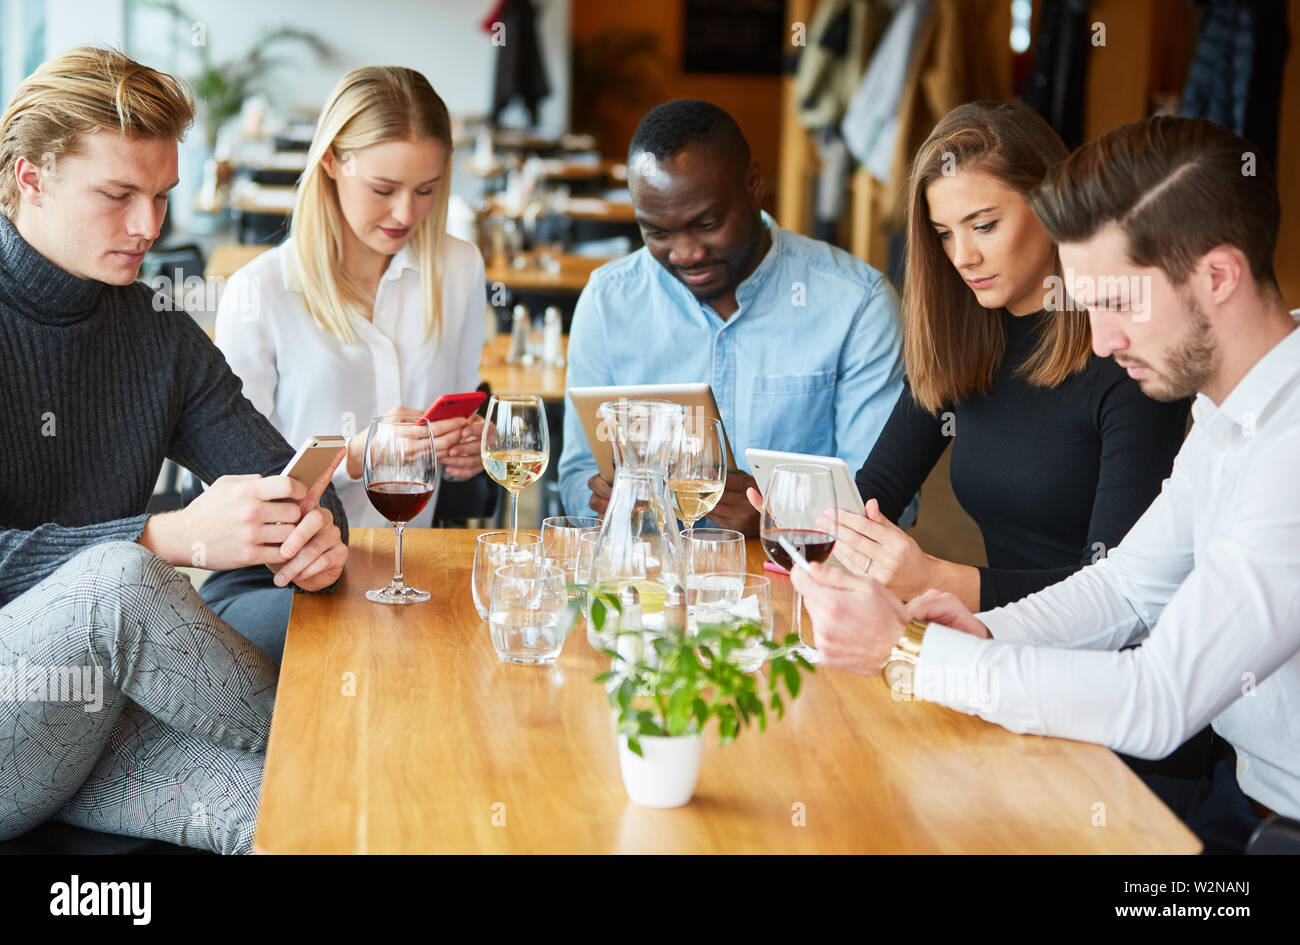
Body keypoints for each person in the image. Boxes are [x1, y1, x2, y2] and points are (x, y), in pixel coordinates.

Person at [790, 115, 1300, 853]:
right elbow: (1125, 589)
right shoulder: (1231, 412)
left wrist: (911, 653)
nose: (1098, 341)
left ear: (1217, 276)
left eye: (1118, 302)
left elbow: (1158, 697)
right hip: (1241, 801)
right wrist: (982, 629)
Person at [0, 48, 348, 854]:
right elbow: (130, 571)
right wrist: (169, 535)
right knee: (121, 580)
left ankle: (358, 764)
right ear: (31, 177)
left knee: (309, 818)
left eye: (160, 197)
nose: (148, 228)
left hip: (96, 725)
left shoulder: (158, 331)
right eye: (118, 195)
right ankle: (354, 741)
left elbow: (292, 485)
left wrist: (311, 533)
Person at [748, 101, 1188, 613]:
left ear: (1051, 206)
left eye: (983, 226)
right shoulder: (965, 343)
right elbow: (878, 493)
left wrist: (937, 580)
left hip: (1100, 667)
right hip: (994, 639)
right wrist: (814, 516)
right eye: (944, 234)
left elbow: (1118, 595)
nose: (962, 257)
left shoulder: (1125, 356)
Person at [212, 66, 487, 628]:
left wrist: (466, 450)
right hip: (283, 577)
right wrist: (353, 455)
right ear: (332, 161)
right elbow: (230, 491)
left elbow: (456, 412)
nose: (406, 214)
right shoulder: (260, 292)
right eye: (383, 190)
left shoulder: (459, 269)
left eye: (427, 190)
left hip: (414, 567)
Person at [557, 99, 905, 537]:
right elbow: (573, 474)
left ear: (755, 184)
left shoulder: (857, 305)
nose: (685, 253)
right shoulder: (608, 302)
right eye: (657, 232)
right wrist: (600, 499)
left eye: (707, 223)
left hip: (800, 589)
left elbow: (891, 504)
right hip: (649, 588)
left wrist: (782, 522)